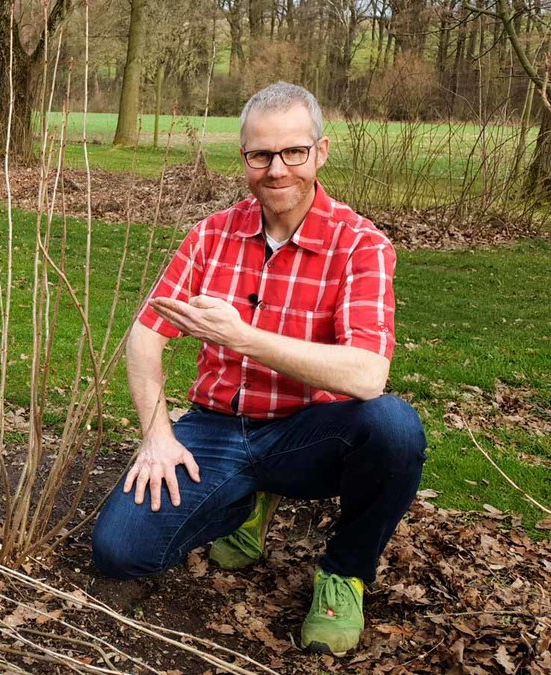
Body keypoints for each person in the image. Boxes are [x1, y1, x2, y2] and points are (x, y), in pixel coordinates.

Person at [91, 81, 427, 656]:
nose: (277, 170)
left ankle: (344, 572)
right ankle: (244, 505)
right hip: (216, 427)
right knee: (121, 553)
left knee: (393, 428)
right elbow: (145, 333)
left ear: (320, 152)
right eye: (261, 155)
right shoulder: (210, 236)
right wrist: (156, 435)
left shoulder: (360, 246)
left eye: (293, 152)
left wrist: (244, 338)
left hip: (307, 435)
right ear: (244, 157)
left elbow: (368, 374)